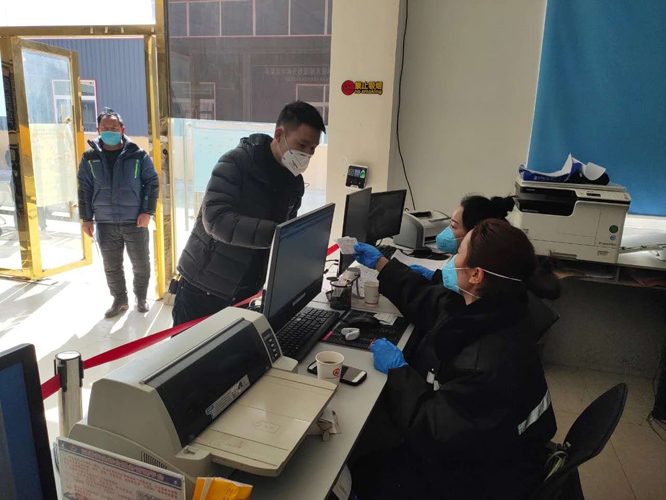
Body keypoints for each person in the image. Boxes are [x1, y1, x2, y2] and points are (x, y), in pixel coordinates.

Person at [350, 219, 559, 499]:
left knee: (364, 468)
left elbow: (431, 431)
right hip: (488, 445)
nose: (452, 259)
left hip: (481, 478)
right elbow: (430, 302)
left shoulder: (485, 363)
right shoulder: (498, 307)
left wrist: (400, 373)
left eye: (459, 252)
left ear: (476, 275)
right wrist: (382, 265)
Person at [172, 101, 325, 326]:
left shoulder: (294, 182)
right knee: (188, 349)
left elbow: (283, 234)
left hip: (245, 290)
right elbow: (216, 220)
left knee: (232, 348)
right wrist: (279, 235)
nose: (307, 154)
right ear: (280, 134)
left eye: (312, 148)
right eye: (302, 144)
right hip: (204, 286)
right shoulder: (237, 163)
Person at [77, 109, 159, 318]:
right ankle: (120, 300)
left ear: (122, 130)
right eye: (105, 127)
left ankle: (141, 297)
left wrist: (147, 211)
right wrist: (86, 218)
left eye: (114, 127)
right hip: (105, 221)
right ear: (98, 130)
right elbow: (84, 188)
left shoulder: (138, 155)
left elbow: (151, 182)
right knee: (111, 266)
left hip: (135, 220)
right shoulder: (89, 158)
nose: (109, 131)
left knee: (141, 264)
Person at [410, 194, 515, 280]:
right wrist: (436, 277)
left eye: (453, 226)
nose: (447, 230)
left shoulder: (478, 277)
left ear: (473, 233)